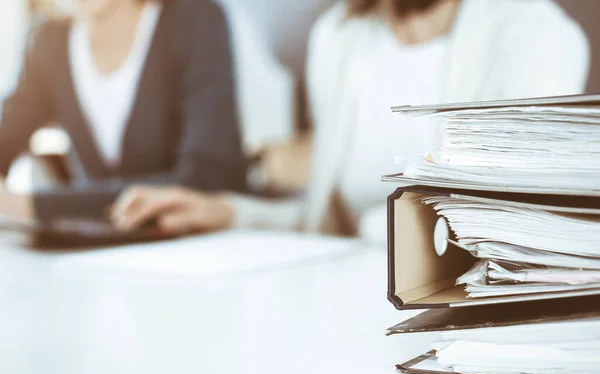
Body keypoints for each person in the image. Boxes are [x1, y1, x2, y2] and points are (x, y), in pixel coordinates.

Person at [111, 0, 590, 243]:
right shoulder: (339, 39)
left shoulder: (537, 36)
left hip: (466, 330)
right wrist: (228, 212)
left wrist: (367, 231)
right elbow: (328, 224)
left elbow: (510, 232)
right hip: (340, 315)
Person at [0, 0, 247, 222]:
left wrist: (32, 206)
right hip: (103, 254)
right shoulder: (48, 41)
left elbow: (203, 182)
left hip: (209, 250)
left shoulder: (194, 18)